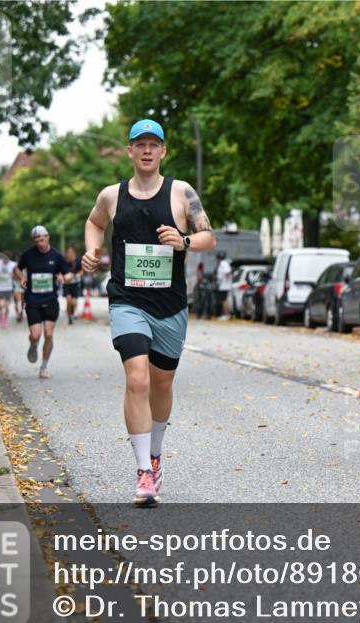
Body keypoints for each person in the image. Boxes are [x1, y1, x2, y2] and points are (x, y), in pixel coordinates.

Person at [81, 118, 216, 506]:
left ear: (163, 152)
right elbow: (94, 223)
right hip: (127, 300)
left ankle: (155, 455)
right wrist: (93, 250)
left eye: (153, 145)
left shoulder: (181, 193)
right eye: (139, 144)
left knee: (161, 383)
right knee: (136, 378)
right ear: (129, 151)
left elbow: (209, 236)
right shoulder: (112, 195)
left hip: (170, 305)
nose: (146, 150)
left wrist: (184, 240)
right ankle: (143, 472)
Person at [15, 226, 73, 379]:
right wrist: (21, 278)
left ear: (47, 237)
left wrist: (63, 278)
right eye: (36, 241)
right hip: (33, 299)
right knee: (35, 335)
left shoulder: (57, 255)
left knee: (48, 333)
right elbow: (17, 269)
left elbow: (69, 274)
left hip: (50, 300)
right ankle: (33, 345)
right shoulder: (28, 254)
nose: (39, 243)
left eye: (41, 239)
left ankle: (44, 366)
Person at [0, 251, 16, 328]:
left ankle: (5, 319)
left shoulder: (13, 264)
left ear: (9, 258)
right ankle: (1, 314)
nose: (5, 259)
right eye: (4, 257)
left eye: (7, 258)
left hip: (9, 288)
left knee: (7, 306)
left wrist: (13, 275)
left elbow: (16, 275)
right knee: (1, 304)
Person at [62, 246, 83, 324]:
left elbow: (82, 271)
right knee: (69, 301)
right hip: (66, 284)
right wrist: (64, 277)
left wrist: (77, 276)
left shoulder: (78, 261)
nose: (70, 254)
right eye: (68, 252)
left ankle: (72, 312)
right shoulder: (64, 262)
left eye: (71, 252)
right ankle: (69, 317)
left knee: (74, 303)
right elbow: (60, 272)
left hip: (75, 284)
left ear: (74, 253)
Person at [216, 250, 232, 320]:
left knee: (224, 300)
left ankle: (226, 315)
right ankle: (225, 314)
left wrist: (224, 279)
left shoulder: (223, 263)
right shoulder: (223, 263)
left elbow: (228, 272)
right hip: (223, 285)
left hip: (224, 285)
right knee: (223, 300)